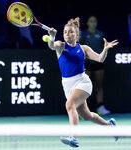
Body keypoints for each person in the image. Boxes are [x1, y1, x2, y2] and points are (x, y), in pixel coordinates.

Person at [47, 17, 118, 148]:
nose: (68, 34)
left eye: (71, 32)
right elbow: (52, 45)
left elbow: (99, 59)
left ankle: (74, 137)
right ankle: (109, 126)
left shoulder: (83, 48)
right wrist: (51, 37)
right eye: (65, 32)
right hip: (67, 85)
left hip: (82, 82)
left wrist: (105, 49)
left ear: (77, 34)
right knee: (86, 116)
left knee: (69, 104)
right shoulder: (61, 46)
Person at [80, 16, 111, 115]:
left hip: (98, 63)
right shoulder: (84, 35)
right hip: (87, 63)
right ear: (88, 23)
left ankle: (100, 108)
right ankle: (83, 109)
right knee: (85, 87)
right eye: (91, 21)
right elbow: (79, 48)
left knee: (99, 86)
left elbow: (103, 49)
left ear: (96, 23)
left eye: (94, 21)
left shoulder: (100, 34)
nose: (93, 23)